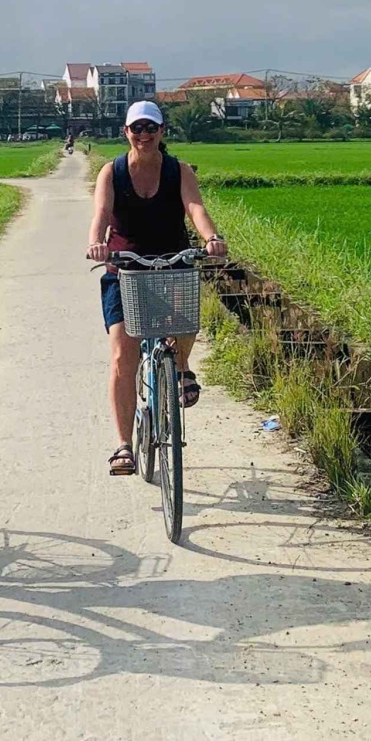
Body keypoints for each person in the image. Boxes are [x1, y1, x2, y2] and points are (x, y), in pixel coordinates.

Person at [86, 100, 229, 477]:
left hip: (172, 262)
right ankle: (124, 445)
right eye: (137, 128)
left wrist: (211, 238)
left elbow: (195, 208)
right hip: (126, 268)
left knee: (187, 323)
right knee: (123, 354)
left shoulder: (178, 170)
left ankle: (180, 366)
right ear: (126, 132)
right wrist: (96, 242)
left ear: (162, 131)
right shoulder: (112, 172)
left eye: (151, 127)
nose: (144, 134)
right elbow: (102, 213)